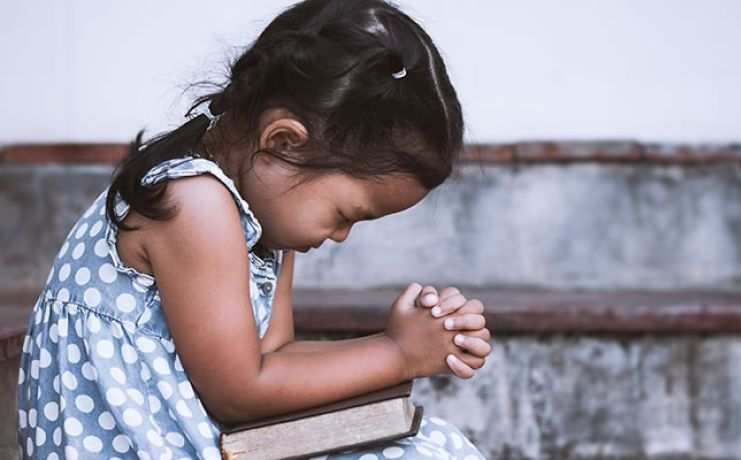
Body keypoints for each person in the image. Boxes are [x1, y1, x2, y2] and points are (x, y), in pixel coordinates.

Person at [16, 0, 493, 458]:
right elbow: (241, 392)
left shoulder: (264, 219)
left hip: (195, 441)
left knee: (432, 446)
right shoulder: (193, 203)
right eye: (346, 214)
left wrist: (418, 341)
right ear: (283, 142)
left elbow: (276, 359)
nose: (341, 236)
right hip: (138, 448)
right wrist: (396, 352)